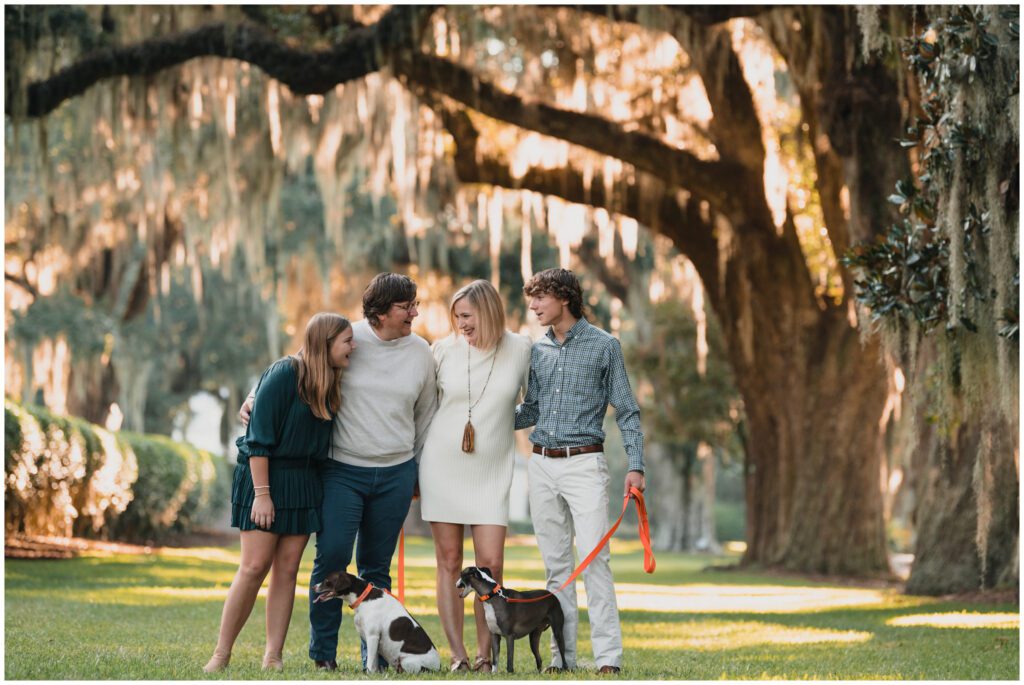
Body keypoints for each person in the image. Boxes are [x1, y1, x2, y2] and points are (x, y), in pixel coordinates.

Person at [239, 273, 436, 671]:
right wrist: (254, 396)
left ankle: (374, 660)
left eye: (415, 305)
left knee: (376, 567)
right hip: (342, 471)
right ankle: (323, 657)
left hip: (395, 472)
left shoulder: (421, 352)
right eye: (406, 307)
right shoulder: (349, 338)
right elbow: (299, 366)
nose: (415, 313)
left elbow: (426, 416)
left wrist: (415, 472)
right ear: (380, 313)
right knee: (331, 561)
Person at [204, 313, 354, 673]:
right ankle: (221, 655)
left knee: (287, 570)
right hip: (264, 475)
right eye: (347, 341)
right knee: (254, 566)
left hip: (303, 481)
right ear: (325, 342)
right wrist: (262, 495)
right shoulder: (285, 373)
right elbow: (258, 441)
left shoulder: (331, 380)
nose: (354, 346)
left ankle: (273, 656)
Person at [514, 268, 646, 675]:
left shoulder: (605, 346)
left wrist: (636, 466)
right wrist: (483, 417)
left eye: (540, 298)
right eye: (532, 299)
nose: (533, 306)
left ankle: (608, 659)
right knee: (556, 567)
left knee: (593, 561)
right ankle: (562, 659)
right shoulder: (537, 351)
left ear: (564, 298)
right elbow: (530, 410)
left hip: (585, 464)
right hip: (541, 463)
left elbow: (627, 410)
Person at [418, 279, 532, 672]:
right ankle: (459, 656)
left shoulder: (521, 349)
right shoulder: (442, 351)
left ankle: (486, 656)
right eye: (456, 317)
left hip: (491, 471)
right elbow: (424, 409)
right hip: (441, 465)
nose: (460, 324)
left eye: (466, 316)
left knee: (491, 565)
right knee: (449, 562)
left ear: (488, 311)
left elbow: (533, 405)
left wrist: (500, 422)